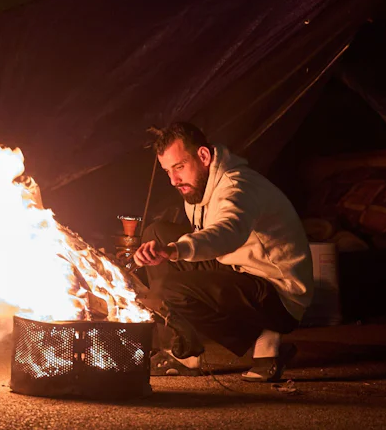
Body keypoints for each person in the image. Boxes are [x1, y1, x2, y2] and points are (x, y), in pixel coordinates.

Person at [133, 122, 313, 382]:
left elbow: (227, 233)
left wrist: (175, 250)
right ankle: (187, 351)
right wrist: (165, 248)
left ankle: (265, 336)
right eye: (167, 171)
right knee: (155, 234)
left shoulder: (237, 187)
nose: (174, 180)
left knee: (170, 289)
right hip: (239, 270)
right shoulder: (198, 185)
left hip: (277, 292)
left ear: (204, 156)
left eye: (180, 167)